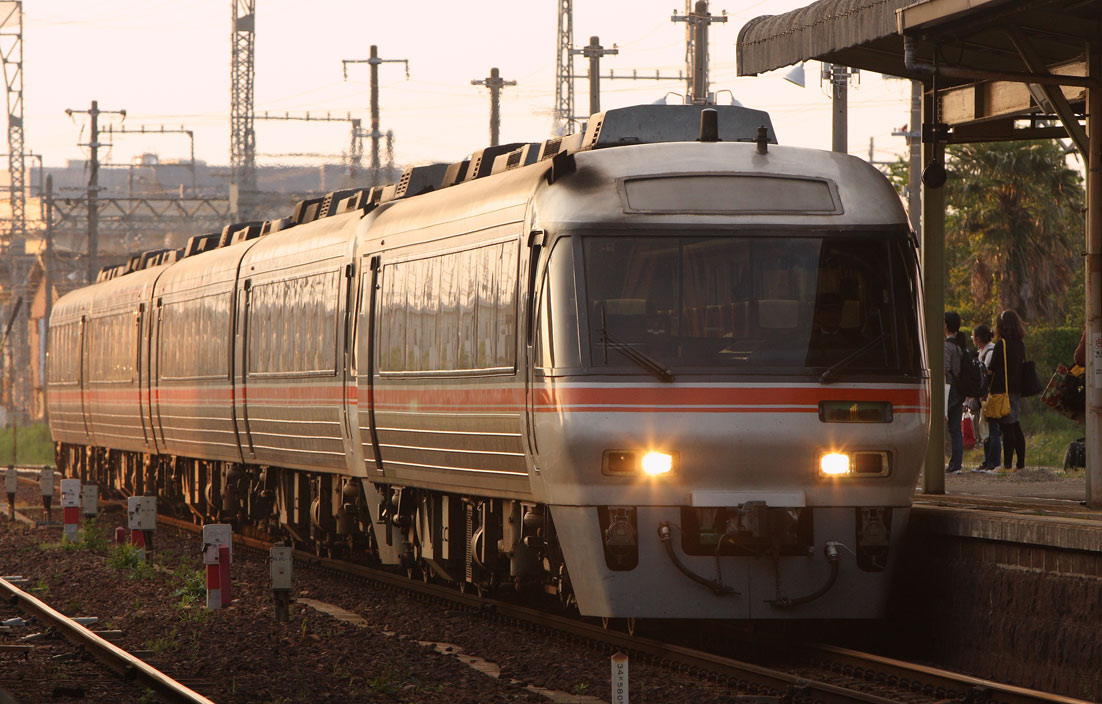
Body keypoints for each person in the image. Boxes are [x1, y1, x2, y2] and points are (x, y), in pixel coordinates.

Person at [989, 310, 1027, 469]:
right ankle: (1020, 463)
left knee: (1007, 426)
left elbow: (993, 368)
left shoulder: (1001, 344)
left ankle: (1007, 464)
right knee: (1016, 424)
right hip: (1016, 388)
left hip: (1002, 390)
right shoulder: (1020, 344)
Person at [972, 324, 1000, 471]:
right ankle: (987, 460)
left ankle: (993, 462)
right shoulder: (982, 351)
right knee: (985, 429)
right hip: (983, 396)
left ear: (978, 338)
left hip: (989, 395)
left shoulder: (990, 351)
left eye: (973, 336)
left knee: (992, 429)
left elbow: (987, 373)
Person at [944, 311, 967, 474]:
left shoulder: (947, 346)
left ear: (945, 325)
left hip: (948, 389)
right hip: (959, 389)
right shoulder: (961, 346)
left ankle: (947, 463)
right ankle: (956, 463)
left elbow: (944, 369)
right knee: (955, 428)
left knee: (942, 426)